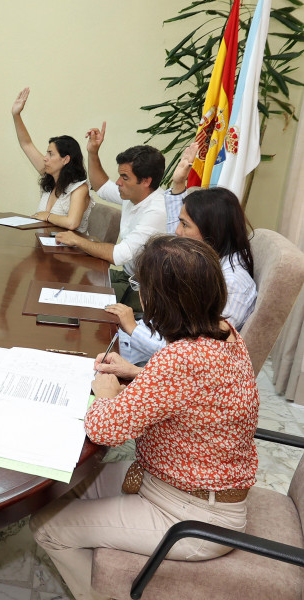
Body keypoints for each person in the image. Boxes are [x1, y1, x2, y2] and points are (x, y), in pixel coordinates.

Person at [31, 235, 259, 600]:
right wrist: (139, 373)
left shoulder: (180, 360)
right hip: (182, 486)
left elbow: (105, 430)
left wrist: (106, 394)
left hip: (191, 514)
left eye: (143, 288)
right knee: (60, 491)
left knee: (47, 525)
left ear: (161, 299)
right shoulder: (224, 333)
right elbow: (200, 391)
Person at [106, 142, 257, 364]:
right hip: (152, 339)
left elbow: (197, 355)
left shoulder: (232, 283)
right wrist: (178, 183)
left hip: (160, 363)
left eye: (184, 225)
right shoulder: (206, 259)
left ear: (211, 231)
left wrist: (131, 328)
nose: (177, 232)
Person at [55, 122, 166, 311]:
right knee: (70, 286)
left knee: (82, 306)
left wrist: (77, 240)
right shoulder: (132, 194)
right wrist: (93, 152)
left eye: (125, 177)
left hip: (149, 291)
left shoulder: (157, 211)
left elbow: (120, 255)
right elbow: (101, 186)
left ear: (146, 181)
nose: (118, 182)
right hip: (128, 276)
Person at [11, 88, 93, 232]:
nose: (45, 158)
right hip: (46, 245)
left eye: (50, 154)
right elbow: (26, 144)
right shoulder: (50, 178)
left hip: (71, 251)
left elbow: (72, 223)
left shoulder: (80, 188)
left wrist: (46, 215)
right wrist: (16, 115)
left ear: (65, 159)